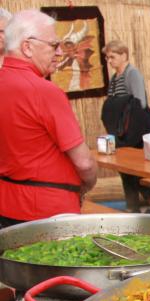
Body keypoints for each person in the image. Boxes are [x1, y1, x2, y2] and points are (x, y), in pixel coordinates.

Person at [0, 10, 96, 226]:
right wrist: (89, 183)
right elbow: (84, 163)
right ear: (27, 46)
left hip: (7, 205)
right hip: (50, 210)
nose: (60, 52)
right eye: (54, 45)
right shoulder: (44, 91)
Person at [101, 39, 150, 212]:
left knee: (136, 169)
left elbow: (140, 104)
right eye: (108, 58)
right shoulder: (115, 78)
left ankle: (149, 198)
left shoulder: (132, 74)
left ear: (124, 55)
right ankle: (133, 206)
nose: (110, 61)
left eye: (113, 56)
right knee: (125, 170)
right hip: (122, 131)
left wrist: (131, 134)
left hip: (137, 130)